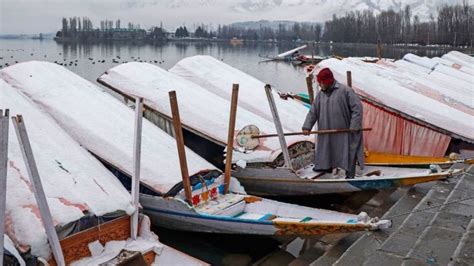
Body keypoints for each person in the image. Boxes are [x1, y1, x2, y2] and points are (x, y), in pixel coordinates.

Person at [302, 68, 364, 179]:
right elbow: (313, 112)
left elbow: (357, 109)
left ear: (327, 81)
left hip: (344, 133)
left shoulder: (346, 91)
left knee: (348, 154)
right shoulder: (320, 95)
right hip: (327, 133)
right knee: (327, 152)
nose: (319, 85)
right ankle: (327, 171)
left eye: (321, 82)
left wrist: (354, 126)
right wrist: (307, 126)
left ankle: (349, 178)